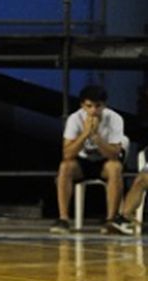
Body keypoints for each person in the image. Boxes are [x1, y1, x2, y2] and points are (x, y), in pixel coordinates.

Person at [53, 85, 127, 234]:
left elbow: (114, 154)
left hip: (104, 162)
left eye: (98, 106)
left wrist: (95, 137)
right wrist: (85, 133)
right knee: (65, 167)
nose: (93, 110)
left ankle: (111, 221)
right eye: (89, 106)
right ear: (82, 106)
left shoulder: (115, 119)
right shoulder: (75, 119)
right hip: (82, 162)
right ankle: (63, 219)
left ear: (104, 105)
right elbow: (67, 153)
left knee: (115, 167)